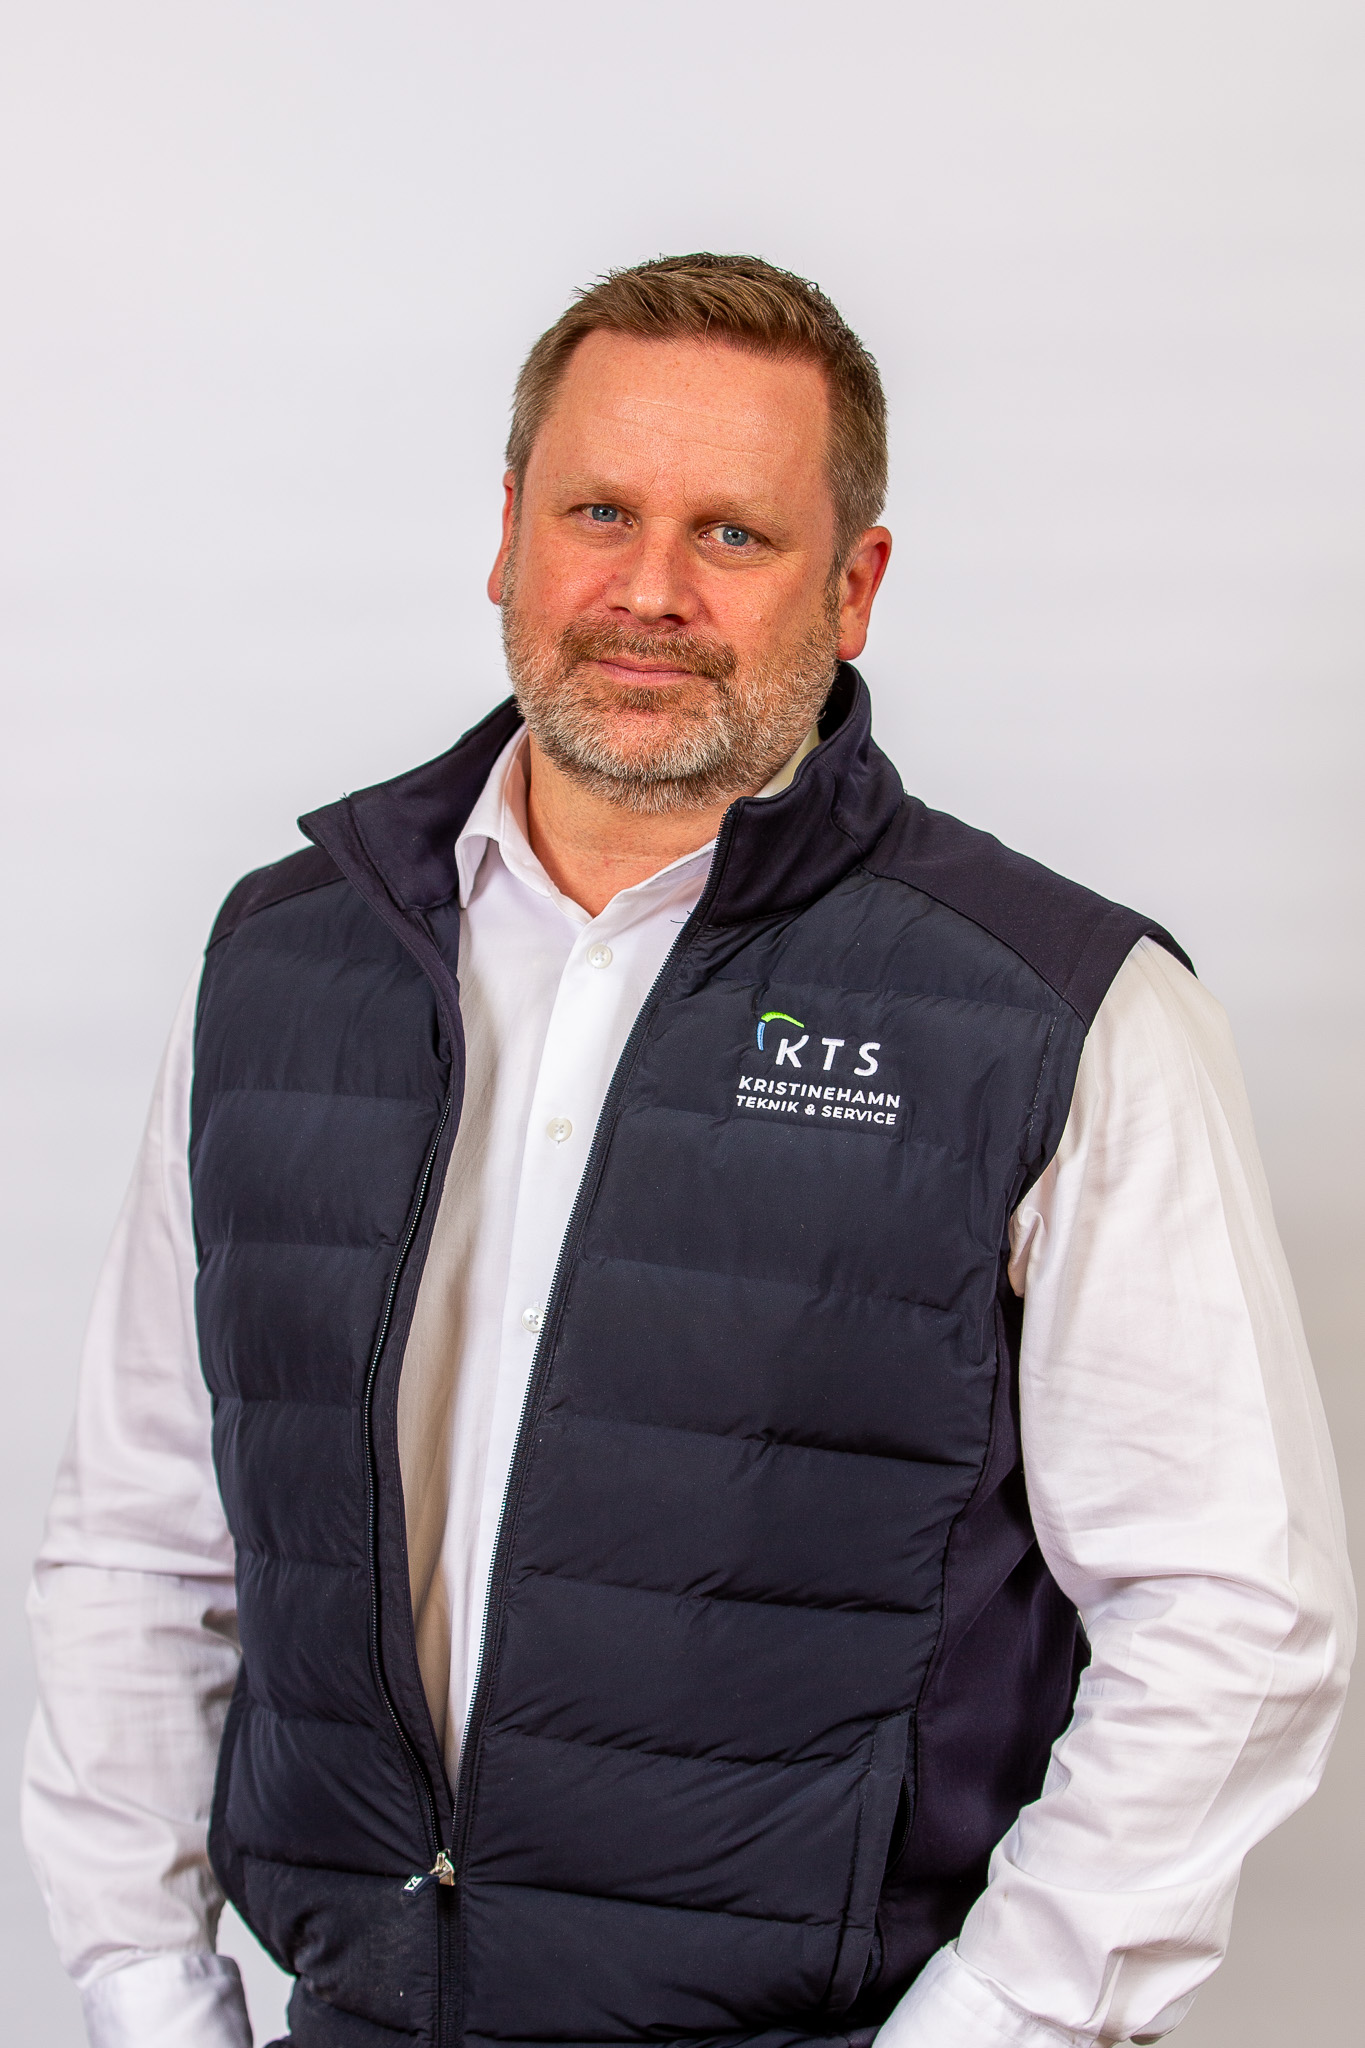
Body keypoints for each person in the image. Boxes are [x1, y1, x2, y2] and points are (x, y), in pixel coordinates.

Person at [22, 253, 1353, 2048]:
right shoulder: (283, 961)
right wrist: (147, 1996)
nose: (647, 590)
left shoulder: (1056, 1009)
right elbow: (144, 1540)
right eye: (598, 512)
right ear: (506, 531)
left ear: (853, 585)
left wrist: (995, 2029)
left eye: (732, 532)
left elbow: (1230, 1608)